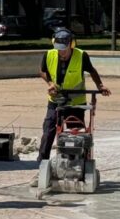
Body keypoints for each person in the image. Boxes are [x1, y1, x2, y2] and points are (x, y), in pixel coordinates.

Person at [33, 28, 111, 185]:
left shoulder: (81, 56)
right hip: (56, 100)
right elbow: (42, 71)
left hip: (76, 102)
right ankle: (42, 167)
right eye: (59, 49)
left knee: (76, 135)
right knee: (48, 131)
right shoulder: (49, 55)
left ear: (72, 45)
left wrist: (101, 86)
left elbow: (92, 71)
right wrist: (50, 83)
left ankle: (77, 166)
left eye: (64, 50)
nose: (61, 53)